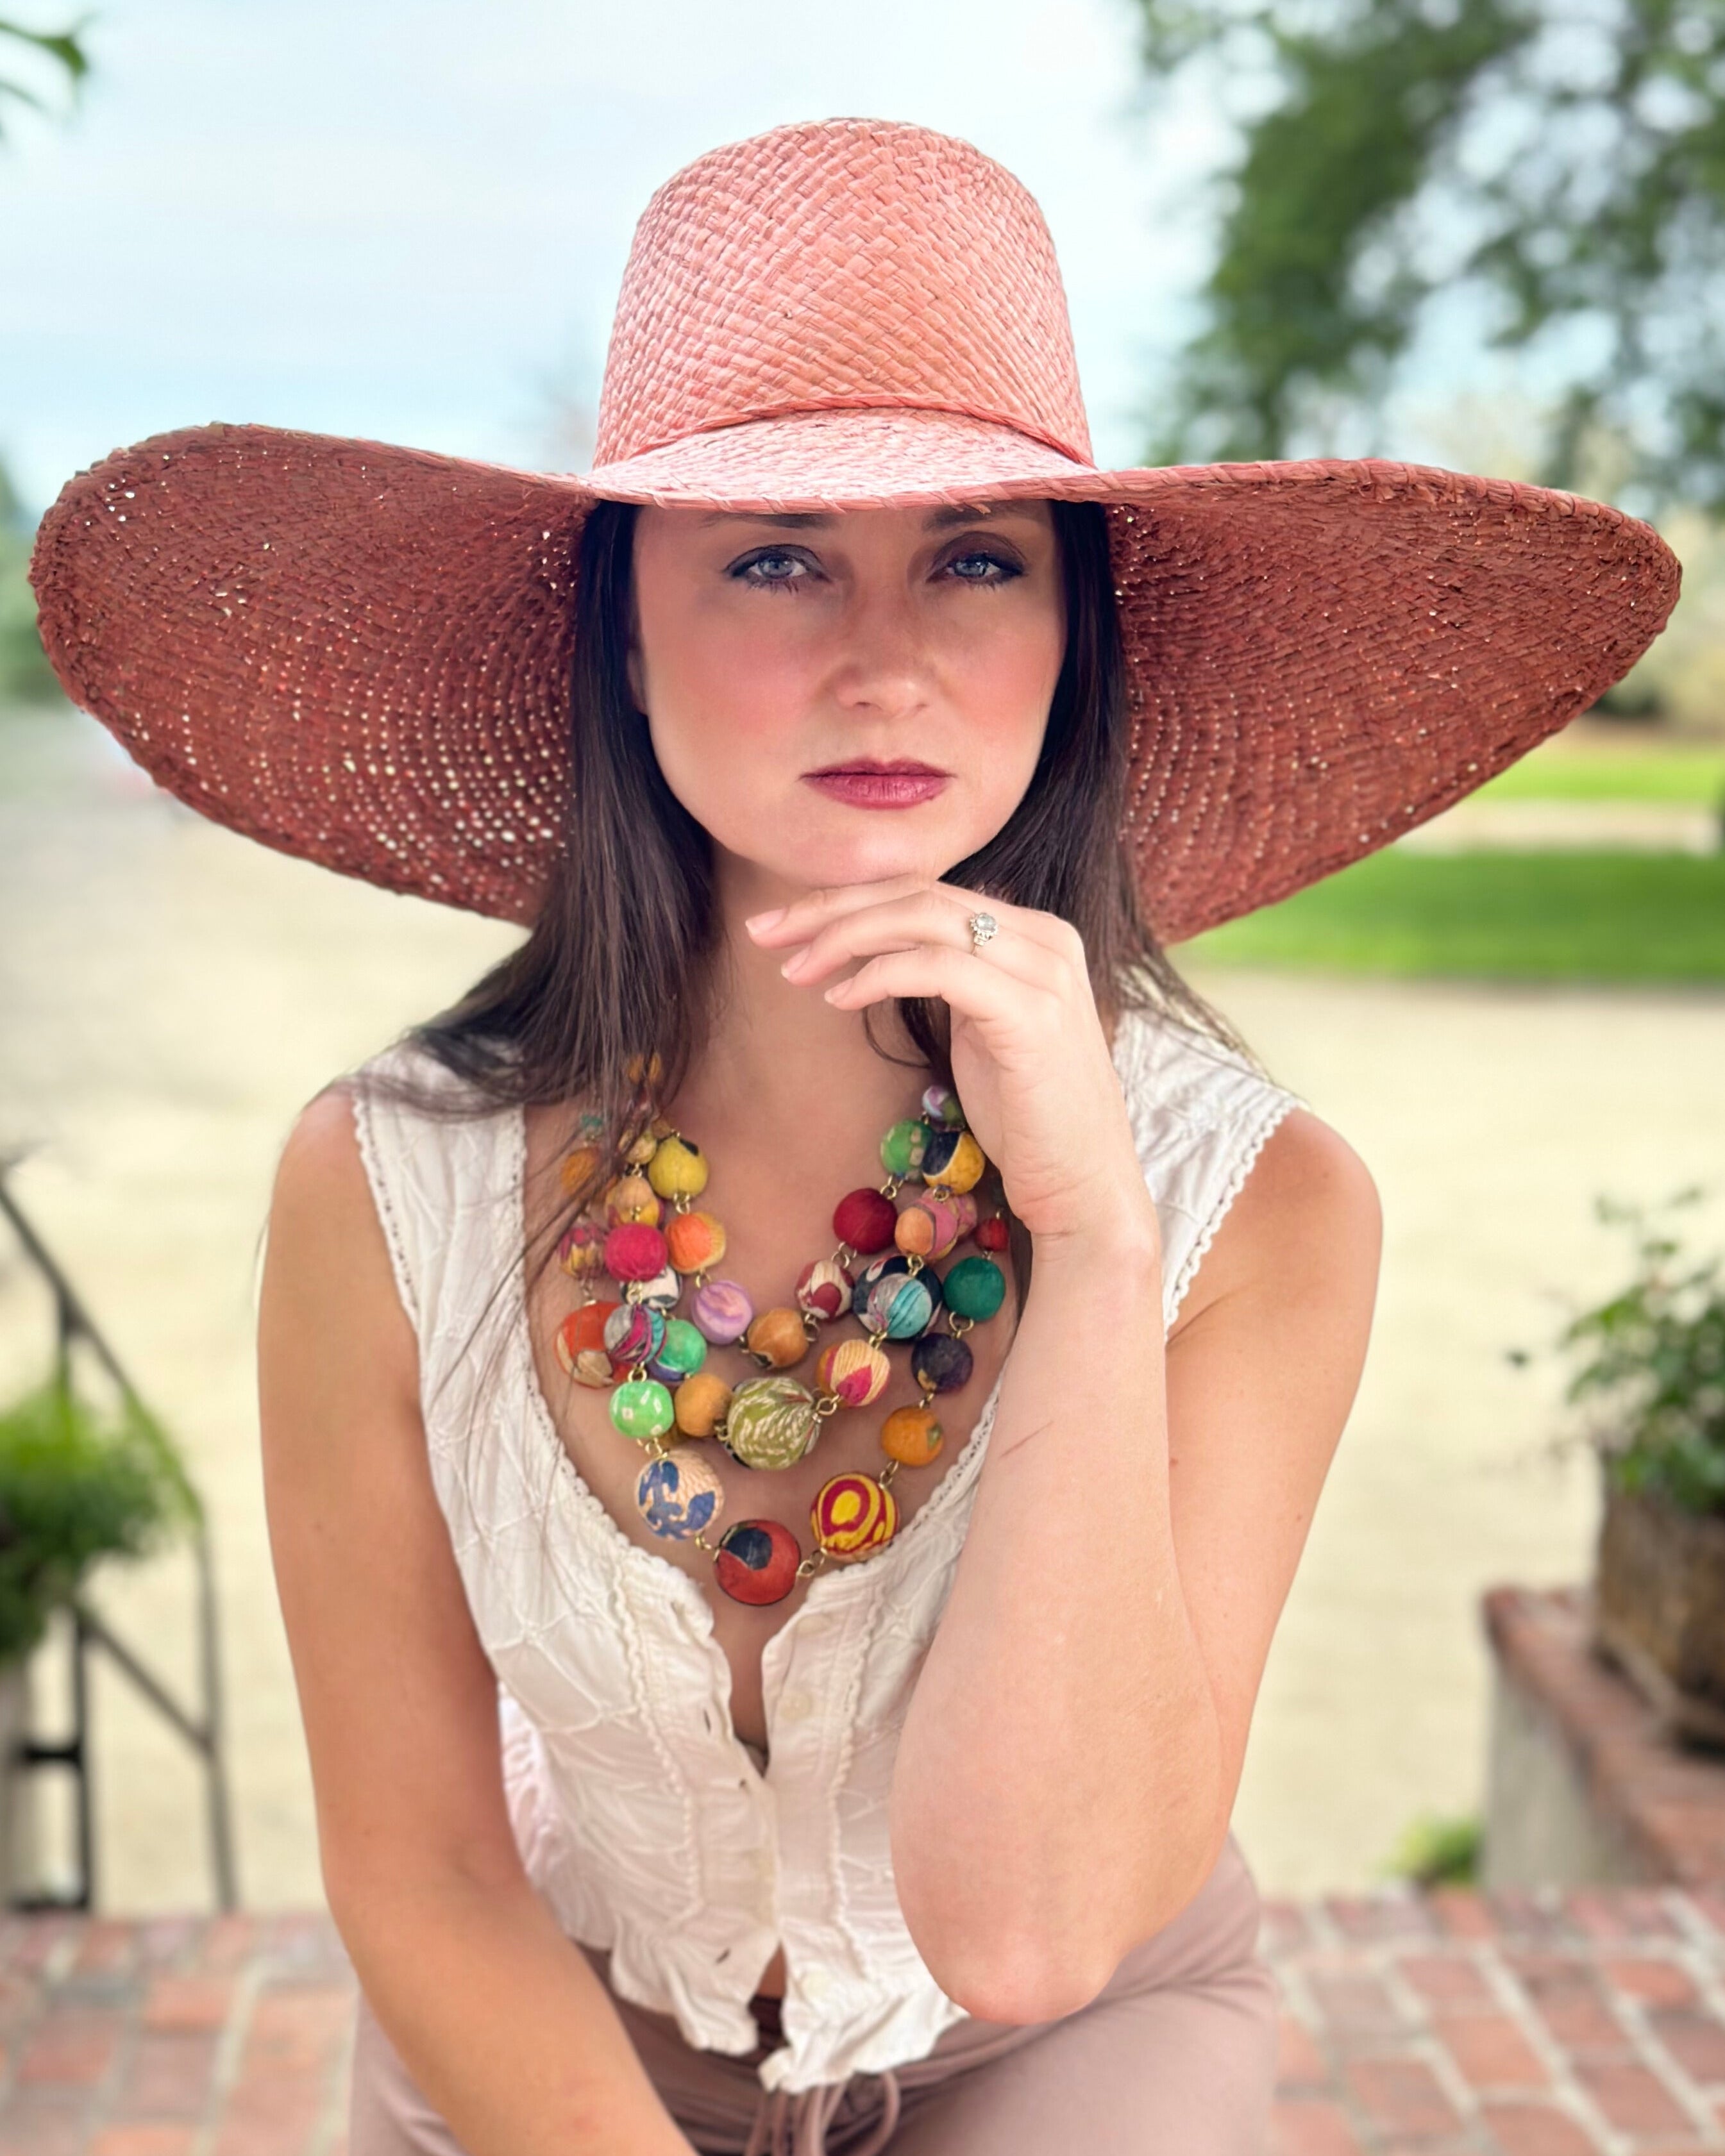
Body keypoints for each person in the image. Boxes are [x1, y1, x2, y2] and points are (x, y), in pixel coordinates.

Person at [28, 115, 1678, 2156]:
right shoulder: (384, 1186)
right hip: (550, 2036)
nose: (885, 655)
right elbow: (425, 1877)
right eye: (776, 554)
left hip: (1072, 2044)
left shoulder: (1261, 1204)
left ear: (1072, 640)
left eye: (977, 557)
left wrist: (1081, 1234)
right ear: (620, 637)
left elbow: (1035, 1926)